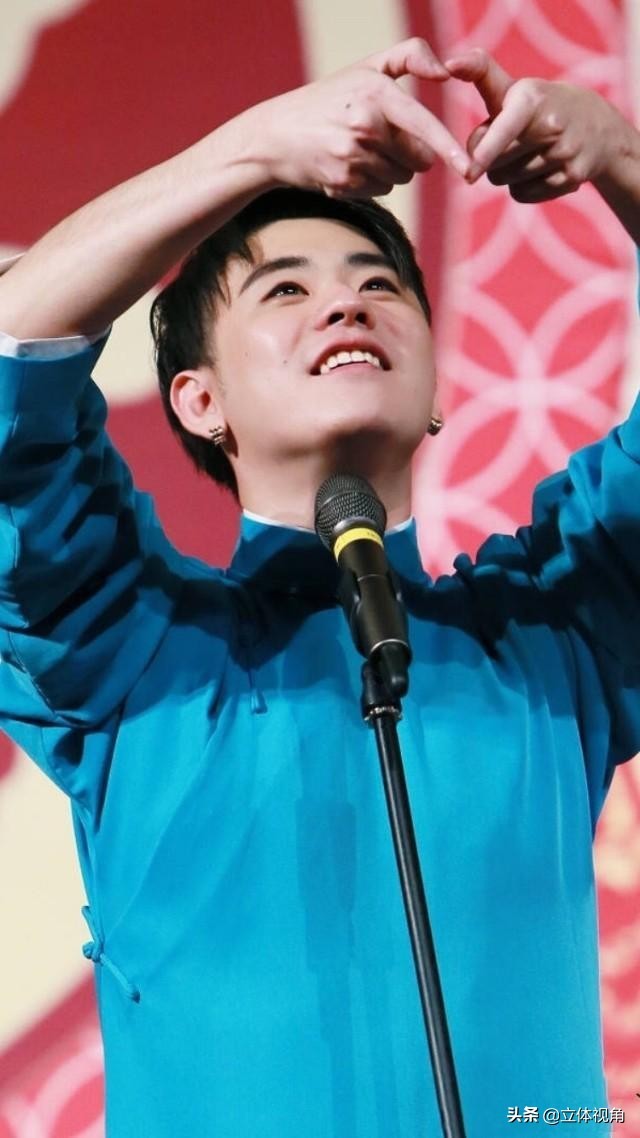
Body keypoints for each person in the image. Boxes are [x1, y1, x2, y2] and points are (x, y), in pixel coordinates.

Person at [0, 37, 639, 1138]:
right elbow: (13, 363)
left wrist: (621, 155)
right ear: (197, 400)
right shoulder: (129, 657)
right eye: (285, 289)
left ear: (435, 384)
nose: (344, 305)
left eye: (380, 285)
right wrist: (252, 151)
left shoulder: (553, 636)